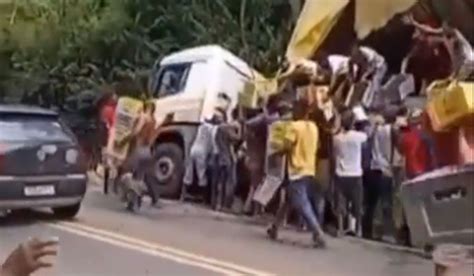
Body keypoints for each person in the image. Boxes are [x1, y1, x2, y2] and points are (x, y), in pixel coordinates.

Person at [266, 99, 327, 248]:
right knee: (288, 200)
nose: (292, 112)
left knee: (301, 203)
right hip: (309, 168)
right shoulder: (313, 127)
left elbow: (287, 146)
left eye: (295, 110)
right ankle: (274, 227)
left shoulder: (294, 127)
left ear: (299, 111)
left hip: (296, 170)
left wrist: (275, 153)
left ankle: (317, 232)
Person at [121, 101, 172, 206]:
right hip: (148, 151)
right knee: (141, 177)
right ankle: (137, 201)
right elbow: (154, 137)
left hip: (139, 150)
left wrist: (125, 139)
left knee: (130, 175)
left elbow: (136, 131)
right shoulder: (153, 121)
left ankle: (130, 201)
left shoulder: (144, 118)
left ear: (147, 108)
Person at [333, 111, 367, 237]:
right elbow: (367, 135)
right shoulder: (359, 136)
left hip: (341, 173)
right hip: (355, 173)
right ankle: (358, 229)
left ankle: (340, 228)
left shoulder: (337, 138)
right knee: (357, 203)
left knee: (341, 202)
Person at [362, 112, 396, 240]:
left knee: (370, 203)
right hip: (385, 169)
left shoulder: (371, 131)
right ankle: (386, 232)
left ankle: (368, 231)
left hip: (373, 167)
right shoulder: (389, 130)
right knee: (385, 202)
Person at [182, 110, 224, 200]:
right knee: (202, 174)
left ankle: (182, 196)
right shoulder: (213, 129)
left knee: (188, 172)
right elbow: (213, 142)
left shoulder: (202, 126)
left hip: (193, 149)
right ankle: (203, 198)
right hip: (202, 152)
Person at [212, 109, 241, 210]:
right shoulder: (227, 128)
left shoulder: (218, 129)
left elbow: (216, 141)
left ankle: (216, 204)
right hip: (227, 158)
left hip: (219, 157)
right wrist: (239, 129)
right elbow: (237, 138)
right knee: (227, 182)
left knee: (218, 181)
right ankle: (224, 205)